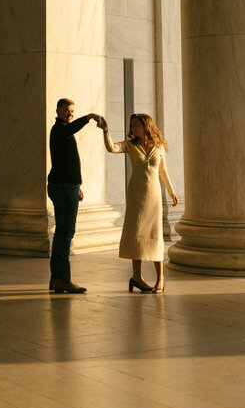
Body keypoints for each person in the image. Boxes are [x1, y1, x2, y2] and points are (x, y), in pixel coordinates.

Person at [102, 112, 178, 293]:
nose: (133, 128)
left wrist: (172, 192)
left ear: (146, 126)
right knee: (136, 233)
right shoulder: (129, 145)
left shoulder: (158, 146)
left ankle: (160, 278)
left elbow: (163, 171)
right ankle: (137, 277)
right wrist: (106, 131)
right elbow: (112, 148)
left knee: (154, 234)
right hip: (136, 195)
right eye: (132, 125)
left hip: (154, 196)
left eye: (136, 125)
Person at [47, 98, 102, 294]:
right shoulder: (59, 129)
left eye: (72, 111)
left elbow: (67, 161)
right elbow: (70, 130)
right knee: (66, 233)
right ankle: (63, 279)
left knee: (61, 233)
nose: (70, 114)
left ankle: (56, 279)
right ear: (58, 111)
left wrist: (77, 186)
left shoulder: (62, 131)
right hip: (63, 187)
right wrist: (89, 117)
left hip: (67, 186)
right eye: (67, 111)